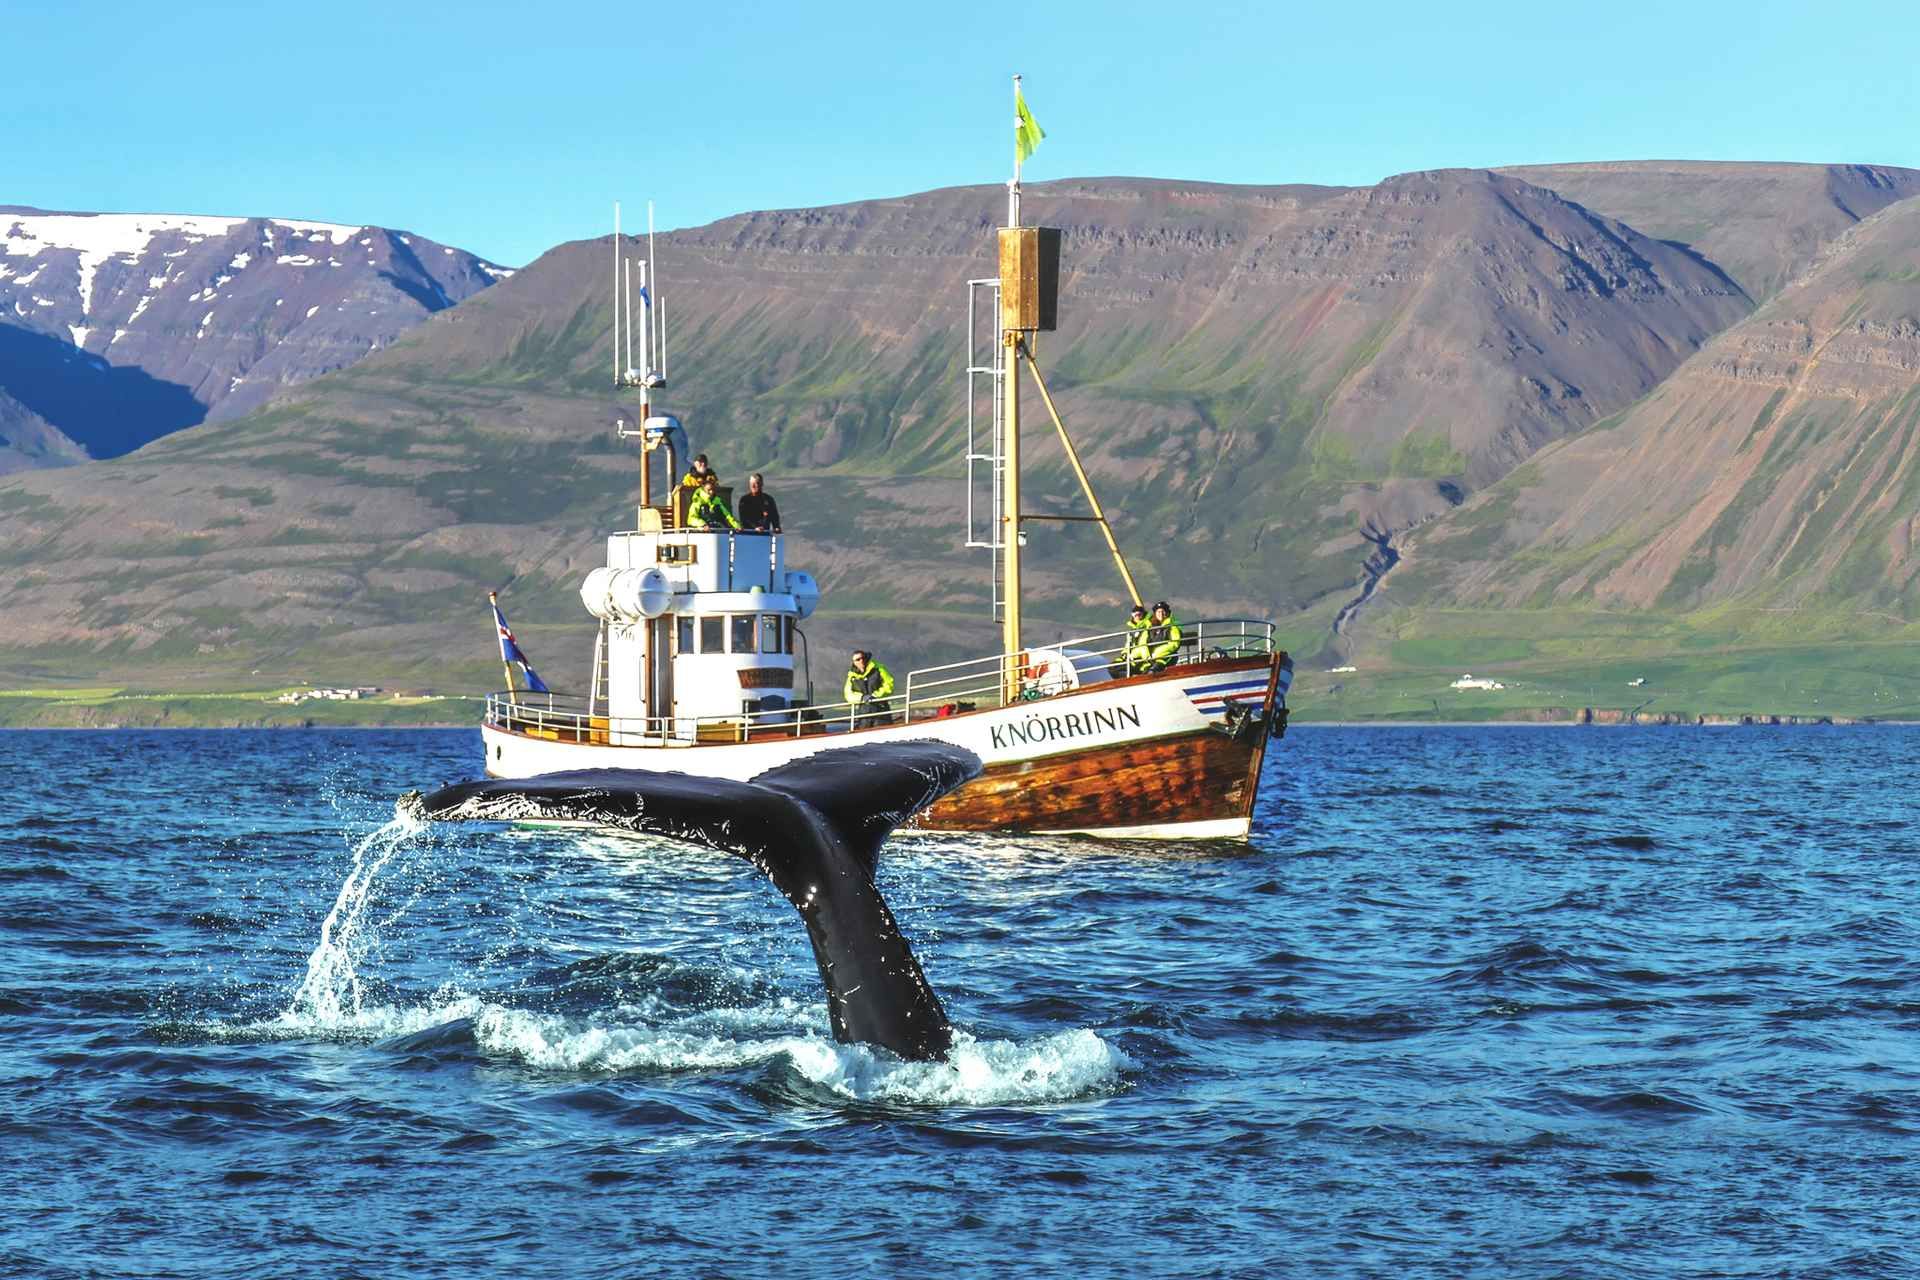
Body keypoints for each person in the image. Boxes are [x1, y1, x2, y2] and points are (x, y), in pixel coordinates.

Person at [844, 650, 895, 727]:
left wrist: (875, 695)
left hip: (881, 710)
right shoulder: (852, 676)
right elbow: (848, 694)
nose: (861, 661)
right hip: (864, 713)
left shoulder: (878, 669)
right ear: (854, 662)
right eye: (858, 659)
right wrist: (861, 697)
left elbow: (889, 684)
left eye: (863, 658)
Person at [1143, 600, 1183, 672]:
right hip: (1151, 658)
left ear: (1167, 613)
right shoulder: (1150, 629)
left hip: (1166, 656)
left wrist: (1157, 653)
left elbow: (1174, 644)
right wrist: (1147, 656)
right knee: (1143, 672)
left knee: (1152, 672)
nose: (1160, 614)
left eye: (1163, 611)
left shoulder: (1172, 627)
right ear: (1155, 614)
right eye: (1158, 612)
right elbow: (1144, 644)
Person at [1121, 603, 1151, 675]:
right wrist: (1125, 653)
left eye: (1139, 615)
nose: (1137, 617)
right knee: (1114, 668)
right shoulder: (1132, 630)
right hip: (1132, 657)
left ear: (1143, 615)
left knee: (1142, 670)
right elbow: (1128, 643)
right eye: (1135, 615)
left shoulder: (1148, 625)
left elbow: (1143, 644)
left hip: (1144, 656)